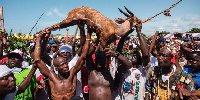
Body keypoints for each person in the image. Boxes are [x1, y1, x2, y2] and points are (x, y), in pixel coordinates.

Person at [34, 25, 92, 100]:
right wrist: (38, 39)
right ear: (56, 69)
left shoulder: (72, 73)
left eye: (65, 63)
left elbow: (83, 56)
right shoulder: (51, 77)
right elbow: (38, 60)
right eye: (62, 65)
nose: (66, 66)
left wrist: (88, 35)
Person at [104, 21, 150, 100]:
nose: (134, 54)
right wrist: (125, 35)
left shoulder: (142, 70)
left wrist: (139, 32)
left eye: (137, 54)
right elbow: (118, 51)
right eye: (133, 54)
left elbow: (146, 55)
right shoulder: (125, 69)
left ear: (141, 59)